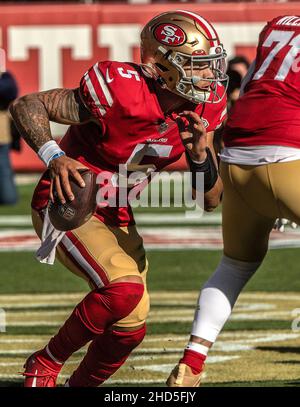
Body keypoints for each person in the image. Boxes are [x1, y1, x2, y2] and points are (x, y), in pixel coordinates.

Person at [10, 10, 228, 387]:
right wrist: (55, 157)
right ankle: (43, 364)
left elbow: (210, 200)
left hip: (117, 212)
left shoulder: (206, 108)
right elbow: (27, 105)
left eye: (211, 64)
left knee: (130, 326)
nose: (210, 75)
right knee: (124, 290)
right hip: (70, 200)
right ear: (159, 66)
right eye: (197, 65)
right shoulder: (121, 89)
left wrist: (197, 156)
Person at [167, 14, 300, 387]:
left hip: (236, 157)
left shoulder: (279, 25)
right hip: (286, 156)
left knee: (235, 266)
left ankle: (191, 363)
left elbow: (262, 87)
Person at [0, 65, 19, 205]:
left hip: (1, 130)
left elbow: (11, 90)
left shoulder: (5, 77)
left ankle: (8, 196)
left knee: (3, 165)